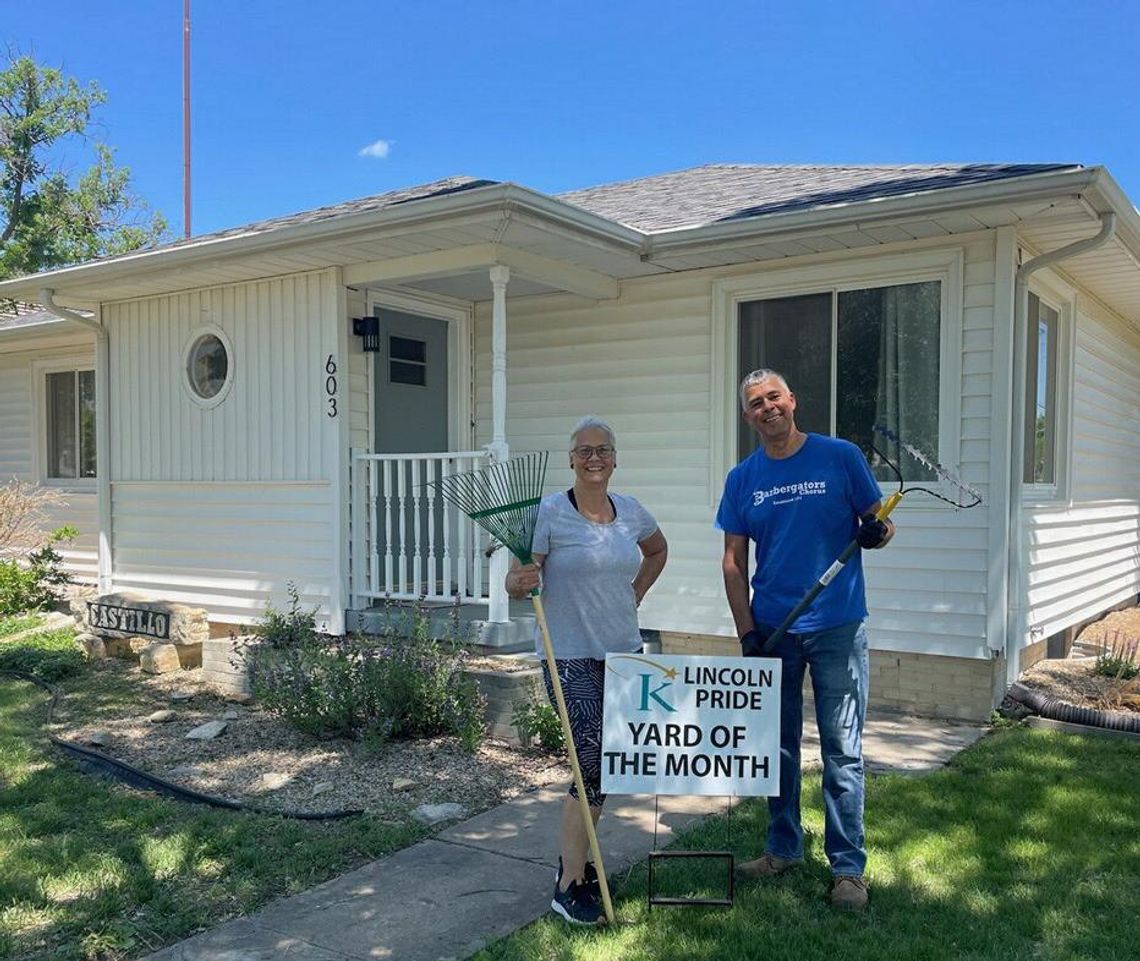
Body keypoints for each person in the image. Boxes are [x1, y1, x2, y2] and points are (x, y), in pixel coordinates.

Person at [716, 368, 894, 911]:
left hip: (838, 625)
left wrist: (876, 532)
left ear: (792, 401)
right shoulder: (742, 478)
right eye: (755, 403)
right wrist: (747, 631)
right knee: (779, 748)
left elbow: (880, 524)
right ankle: (782, 847)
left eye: (774, 397)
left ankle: (847, 869)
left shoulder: (839, 457)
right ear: (748, 417)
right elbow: (733, 561)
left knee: (843, 750)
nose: (766, 408)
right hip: (775, 630)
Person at [506, 416, 668, 925]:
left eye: (602, 450)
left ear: (615, 459)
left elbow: (658, 550)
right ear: (571, 459)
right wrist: (520, 580)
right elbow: (518, 579)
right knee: (589, 765)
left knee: (607, 767)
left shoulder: (632, 512)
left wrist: (636, 592)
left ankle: (580, 861)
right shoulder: (550, 512)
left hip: (623, 655)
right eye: (583, 450)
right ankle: (568, 884)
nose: (593, 458)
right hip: (568, 655)